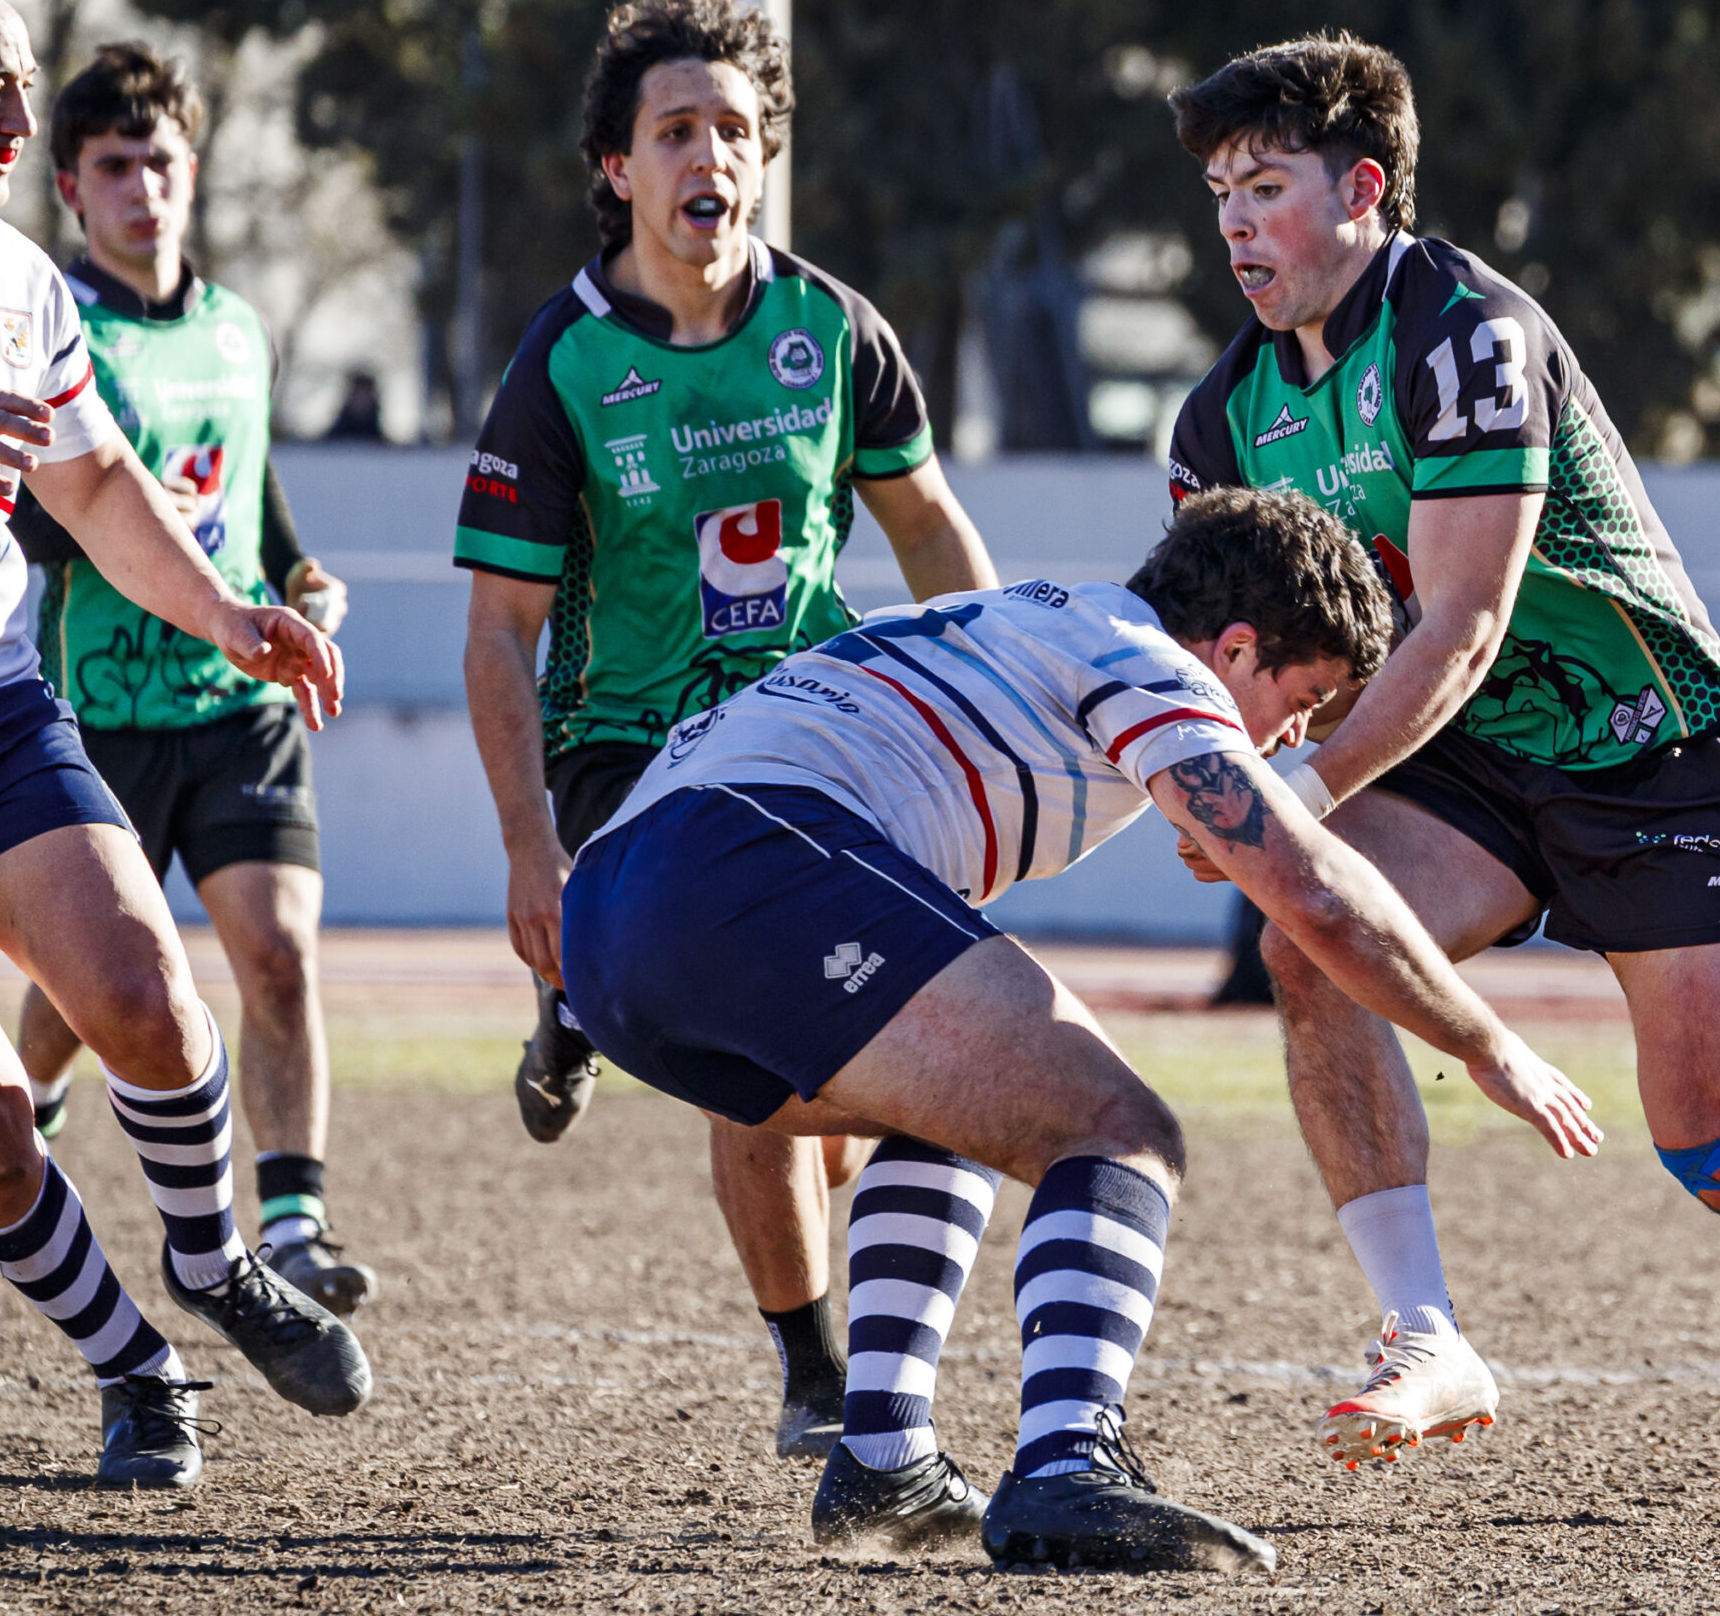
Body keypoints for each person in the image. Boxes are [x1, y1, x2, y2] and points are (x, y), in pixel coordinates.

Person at [1162, 33, 1720, 1526]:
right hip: (1469, 766)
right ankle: (1430, 1329)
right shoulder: (1220, 417)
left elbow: (1460, 626)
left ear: (1368, 188)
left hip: (1649, 745)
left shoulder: (1468, 333)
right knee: (1308, 937)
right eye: (1219, 191)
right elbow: (1251, 648)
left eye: (1265, 186)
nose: (1233, 224)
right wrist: (1210, 762)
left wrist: (1300, 792)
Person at [558, 487, 1602, 1569]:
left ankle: (883, 1461)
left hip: (615, 914)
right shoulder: (1149, 661)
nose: (1293, 741)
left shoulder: (1022, 623)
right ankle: (1068, 1466)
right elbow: (1316, 893)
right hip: (743, 864)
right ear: (1236, 648)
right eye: (1303, 701)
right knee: (1120, 1127)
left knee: (969, 1107)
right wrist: (1488, 1043)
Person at [455, 0, 997, 1459]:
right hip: (631, 749)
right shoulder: (560, 367)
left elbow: (932, 531)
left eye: (737, 130)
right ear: (618, 167)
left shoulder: (832, 328)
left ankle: (592, 1003)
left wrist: (994, 709)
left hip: (821, 724)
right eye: (677, 128)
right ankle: (816, 1371)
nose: (713, 156)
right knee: (774, 1049)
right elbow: (500, 634)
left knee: (881, 1044)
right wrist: (524, 850)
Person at [0, 0, 367, 1491]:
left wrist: (229, 611)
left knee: (151, 992)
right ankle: (135, 1366)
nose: (18, 116)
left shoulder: (22, 278)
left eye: (23, 83)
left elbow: (89, 484)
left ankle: (216, 1260)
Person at [5, 41, 374, 1317]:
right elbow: (43, 521)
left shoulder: (239, 330)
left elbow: (259, 512)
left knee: (276, 950)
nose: (141, 188)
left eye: (159, 161)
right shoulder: (55, 328)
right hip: (103, 709)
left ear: (193, 170)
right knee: (91, 989)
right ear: (71, 188)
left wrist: (302, 578)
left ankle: (299, 1219)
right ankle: (26, 1107)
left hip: (239, 711)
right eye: (114, 167)